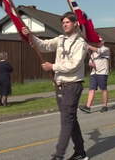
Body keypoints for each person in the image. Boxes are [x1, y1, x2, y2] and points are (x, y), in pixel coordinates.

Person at [22, 12, 89, 160]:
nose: (64, 25)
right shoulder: (60, 39)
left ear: (75, 24)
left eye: (67, 22)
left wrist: (53, 66)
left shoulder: (81, 43)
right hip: (59, 85)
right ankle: (80, 152)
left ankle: (58, 154)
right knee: (71, 119)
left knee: (66, 119)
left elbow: (74, 64)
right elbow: (44, 46)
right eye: (63, 22)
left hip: (72, 85)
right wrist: (30, 35)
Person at [79, 36, 110, 113]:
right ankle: (88, 106)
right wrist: (91, 64)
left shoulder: (105, 49)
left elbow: (99, 51)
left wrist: (88, 46)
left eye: (100, 41)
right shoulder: (93, 53)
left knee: (103, 89)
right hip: (94, 73)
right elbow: (90, 61)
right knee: (92, 89)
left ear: (103, 41)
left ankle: (105, 105)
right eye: (98, 41)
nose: (99, 42)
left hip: (102, 72)